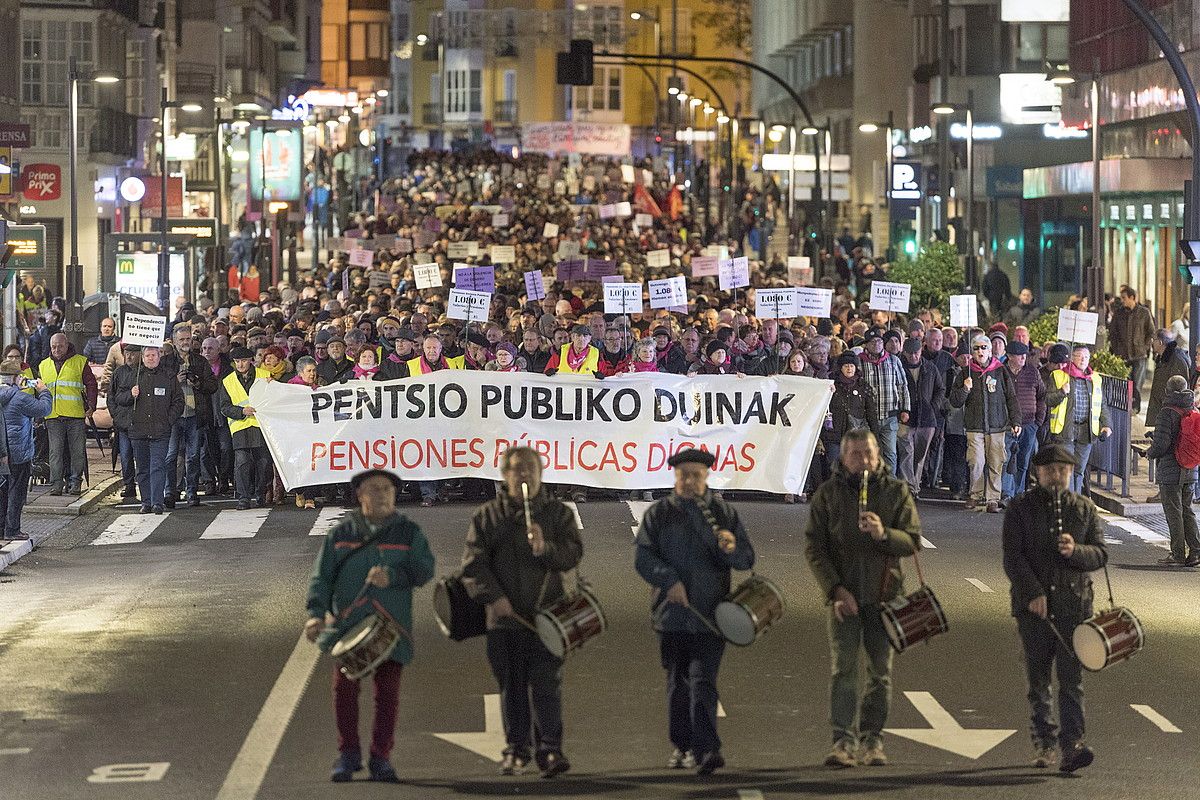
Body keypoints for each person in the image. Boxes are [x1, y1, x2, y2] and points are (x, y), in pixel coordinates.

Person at [305, 469, 435, 783]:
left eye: (387, 489)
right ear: (360, 495)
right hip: (349, 625)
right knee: (344, 691)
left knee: (387, 694)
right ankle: (348, 754)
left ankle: (381, 757)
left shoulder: (408, 532)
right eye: (374, 489)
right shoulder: (341, 534)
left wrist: (394, 577)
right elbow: (322, 577)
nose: (382, 495)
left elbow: (425, 570)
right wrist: (315, 613)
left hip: (392, 627)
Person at [460, 446, 583, 778]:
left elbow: (572, 554)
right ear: (504, 475)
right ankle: (517, 749)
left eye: (530, 468)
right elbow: (472, 566)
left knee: (546, 683)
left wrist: (546, 548)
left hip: (548, 616)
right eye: (516, 469)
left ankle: (551, 750)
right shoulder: (487, 516)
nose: (524, 474)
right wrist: (494, 597)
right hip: (504, 619)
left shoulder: (558, 515)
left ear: (541, 472)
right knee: (512, 685)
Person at [634, 448, 755, 776]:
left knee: (704, 681)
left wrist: (731, 549)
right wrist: (668, 580)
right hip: (671, 615)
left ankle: (707, 749)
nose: (688, 481)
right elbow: (643, 558)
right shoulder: (659, 514)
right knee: (677, 682)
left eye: (695, 476)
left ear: (706, 477)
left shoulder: (724, 514)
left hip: (711, 615)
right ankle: (682, 744)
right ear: (674, 477)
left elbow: (747, 559)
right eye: (683, 475)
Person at [805, 428, 921, 768]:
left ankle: (873, 740)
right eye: (856, 455)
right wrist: (835, 590)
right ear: (843, 458)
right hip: (844, 599)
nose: (864, 461)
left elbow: (912, 541)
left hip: (885, 597)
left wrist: (885, 534)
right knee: (844, 670)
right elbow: (815, 548)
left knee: (879, 673)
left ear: (878, 454)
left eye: (869, 453)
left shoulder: (896, 492)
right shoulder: (827, 495)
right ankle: (842, 741)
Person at [1002, 444, 1107, 773]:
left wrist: (1076, 551)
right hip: (1033, 608)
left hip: (1074, 608)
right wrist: (1032, 592)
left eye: (1063, 470)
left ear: (1071, 473)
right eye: (1049, 471)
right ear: (1038, 473)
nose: (1056, 476)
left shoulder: (1085, 509)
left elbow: (1100, 554)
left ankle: (1072, 745)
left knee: (1071, 679)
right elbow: (1013, 557)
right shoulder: (1020, 508)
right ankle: (1044, 742)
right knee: (1038, 678)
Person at [949, 333, 1021, 512]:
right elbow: (955, 401)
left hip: (997, 426)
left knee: (996, 462)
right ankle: (975, 494)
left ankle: (992, 499)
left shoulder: (1000, 370)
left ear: (990, 351)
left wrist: (1016, 420)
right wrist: (965, 388)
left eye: (983, 348)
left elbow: (1011, 397)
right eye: (976, 348)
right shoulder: (966, 372)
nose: (980, 351)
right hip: (974, 426)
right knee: (976, 461)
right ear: (972, 352)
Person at [114, 345, 184, 514]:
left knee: (158, 466)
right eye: (147, 355)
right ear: (143, 358)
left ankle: (157, 503)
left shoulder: (168, 376)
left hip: (161, 431)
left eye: (153, 355)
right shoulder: (134, 375)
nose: (151, 358)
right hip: (138, 430)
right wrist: (131, 394)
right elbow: (119, 398)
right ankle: (146, 502)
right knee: (143, 469)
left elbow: (179, 401)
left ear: (159, 356)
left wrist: (168, 420)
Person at [1144, 374, 1200, 566]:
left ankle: (1177, 554)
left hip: (1171, 470)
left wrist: (1150, 453)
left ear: (1167, 390)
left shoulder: (1167, 411)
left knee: (1174, 512)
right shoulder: (1192, 408)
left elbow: (1162, 444)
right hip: (1191, 468)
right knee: (1187, 511)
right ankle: (1196, 552)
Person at [163, 325, 218, 508]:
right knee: (171, 456)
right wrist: (175, 383)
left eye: (188, 339)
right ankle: (170, 492)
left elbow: (212, 385)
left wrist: (197, 383)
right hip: (174, 417)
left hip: (194, 415)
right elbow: (160, 388)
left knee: (193, 456)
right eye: (182, 340)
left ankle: (192, 492)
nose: (186, 343)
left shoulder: (200, 361)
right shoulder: (166, 362)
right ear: (174, 341)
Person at [1045, 344, 1111, 493]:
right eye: (1079, 355)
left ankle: (1075, 501)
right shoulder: (1059, 375)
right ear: (1072, 357)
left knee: (1079, 470)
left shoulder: (1095, 379)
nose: (1083, 359)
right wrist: (1062, 392)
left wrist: (1107, 424)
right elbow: (1049, 400)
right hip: (1065, 429)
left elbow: (1102, 403)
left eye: (1086, 356)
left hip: (1086, 430)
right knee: (1067, 469)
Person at [39, 332, 97, 495]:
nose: (56, 349)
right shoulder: (43, 365)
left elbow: (91, 384)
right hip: (53, 415)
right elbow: (39, 390)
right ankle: (57, 484)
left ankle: (75, 482)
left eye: (60, 346)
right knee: (55, 452)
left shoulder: (80, 362)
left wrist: (91, 405)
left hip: (75, 415)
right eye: (53, 346)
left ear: (67, 345)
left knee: (77, 451)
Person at [0, 362, 50, 540]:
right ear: (15, 377)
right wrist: (43, 390)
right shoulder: (19, 398)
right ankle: (12, 530)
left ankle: (2, 530)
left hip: (2, 452)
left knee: (3, 491)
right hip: (19, 451)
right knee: (17, 492)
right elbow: (44, 408)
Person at [219, 346, 273, 509]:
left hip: (260, 425)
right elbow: (224, 407)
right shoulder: (228, 381)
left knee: (263, 463)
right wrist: (241, 411)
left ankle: (260, 494)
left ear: (251, 360)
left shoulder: (265, 376)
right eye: (237, 362)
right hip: (240, 426)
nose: (240, 365)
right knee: (242, 463)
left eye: (243, 361)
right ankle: (244, 497)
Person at [857, 329, 910, 475]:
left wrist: (905, 409)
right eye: (873, 342)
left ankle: (889, 486)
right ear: (866, 345)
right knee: (868, 454)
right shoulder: (859, 361)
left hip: (889, 415)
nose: (877, 344)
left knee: (890, 453)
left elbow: (902, 386)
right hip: (867, 417)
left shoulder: (893, 360)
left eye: (879, 341)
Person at [897, 337, 945, 497]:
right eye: (910, 353)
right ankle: (908, 488)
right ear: (904, 352)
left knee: (920, 455)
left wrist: (933, 406)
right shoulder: (899, 367)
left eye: (916, 353)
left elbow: (940, 388)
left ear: (921, 351)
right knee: (906, 452)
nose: (914, 357)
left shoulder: (930, 368)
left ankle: (915, 486)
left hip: (926, 418)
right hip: (905, 417)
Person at [1001, 341, 1047, 502]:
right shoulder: (1002, 372)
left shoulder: (1032, 372)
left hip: (1029, 424)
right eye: (1019, 356)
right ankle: (1007, 493)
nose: (1023, 358)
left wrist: (1038, 420)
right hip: (1008, 423)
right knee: (1007, 459)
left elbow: (1042, 396)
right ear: (1009, 357)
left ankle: (1018, 493)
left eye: (1024, 355)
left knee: (1022, 461)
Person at [1106, 286, 1155, 414]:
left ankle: (1135, 407)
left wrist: (1145, 347)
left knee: (1137, 383)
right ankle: (1125, 407)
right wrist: (1116, 349)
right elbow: (1113, 333)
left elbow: (1151, 332)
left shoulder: (1144, 313)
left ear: (1132, 297)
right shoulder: (1119, 313)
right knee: (1125, 383)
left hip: (1139, 354)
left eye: (1124, 298)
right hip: (1122, 355)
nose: (1122, 300)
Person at [109, 346, 143, 502]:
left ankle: (142, 485)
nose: (129, 357)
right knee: (125, 455)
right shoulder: (119, 373)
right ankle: (129, 485)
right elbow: (111, 396)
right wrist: (115, 415)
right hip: (123, 422)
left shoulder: (143, 372)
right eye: (127, 354)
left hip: (139, 422)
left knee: (140, 456)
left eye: (133, 354)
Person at [1145, 328, 1191, 433]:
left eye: (1154, 340)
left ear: (1160, 342)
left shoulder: (1176, 359)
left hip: (1170, 414)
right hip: (1164, 411)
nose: (1152, 343)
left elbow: (1180, 388)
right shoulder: (1163, 358)